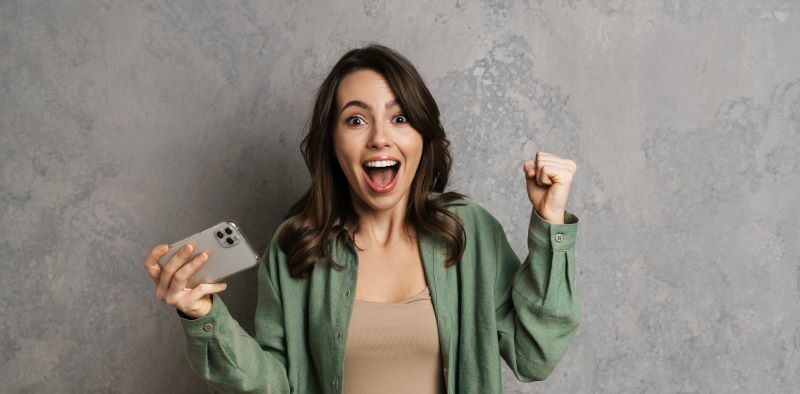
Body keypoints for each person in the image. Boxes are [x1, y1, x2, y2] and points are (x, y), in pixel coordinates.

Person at [142, 43, 581, 394]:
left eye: (400, 117)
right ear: (332, 142)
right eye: (356, 120)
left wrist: (550, 224)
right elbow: (273, 386)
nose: (379, 139)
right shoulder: (298, 247)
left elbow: (533, 354)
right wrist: (202, 314)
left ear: (422, 137)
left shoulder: (467, 233)